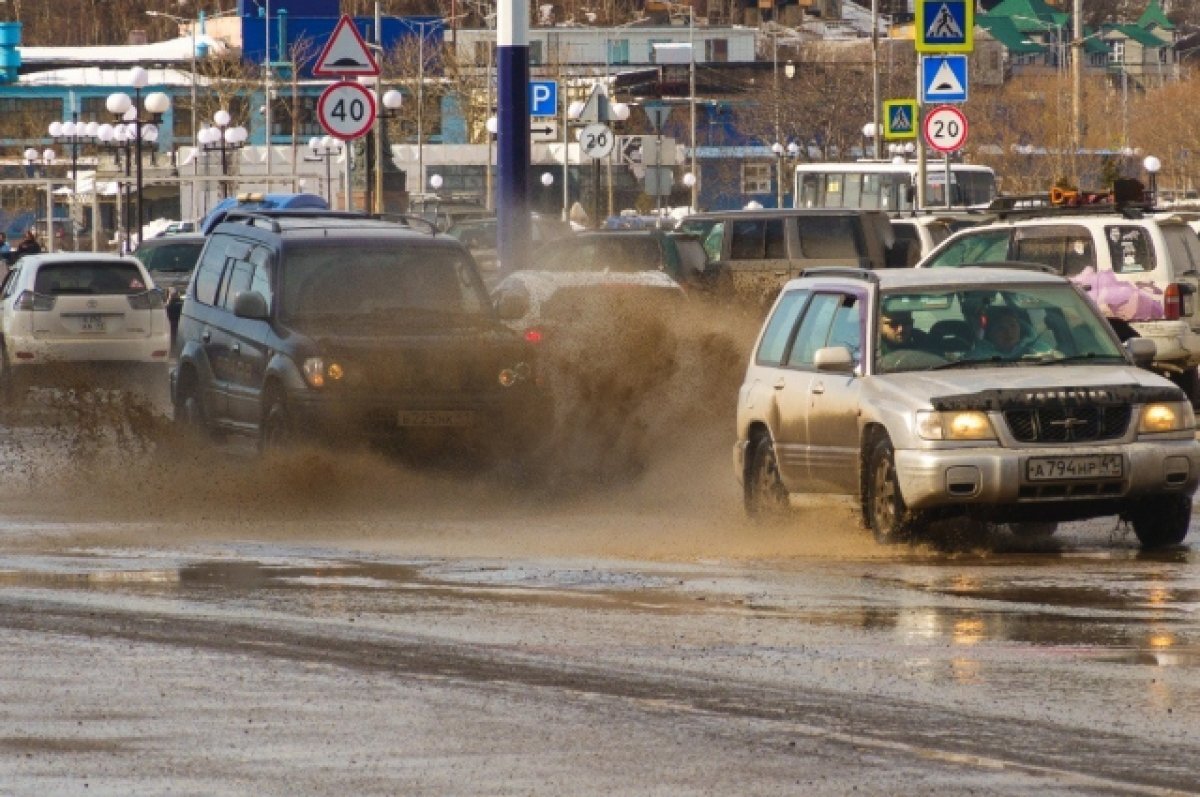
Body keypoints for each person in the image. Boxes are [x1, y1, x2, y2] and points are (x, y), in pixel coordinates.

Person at [974, 305, 1053, 359]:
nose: (1008, 332)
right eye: (1001, 328)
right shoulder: (978, 357)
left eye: (1013, 326)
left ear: (1020, 328)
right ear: (990, 333)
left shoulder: (1040, 349)